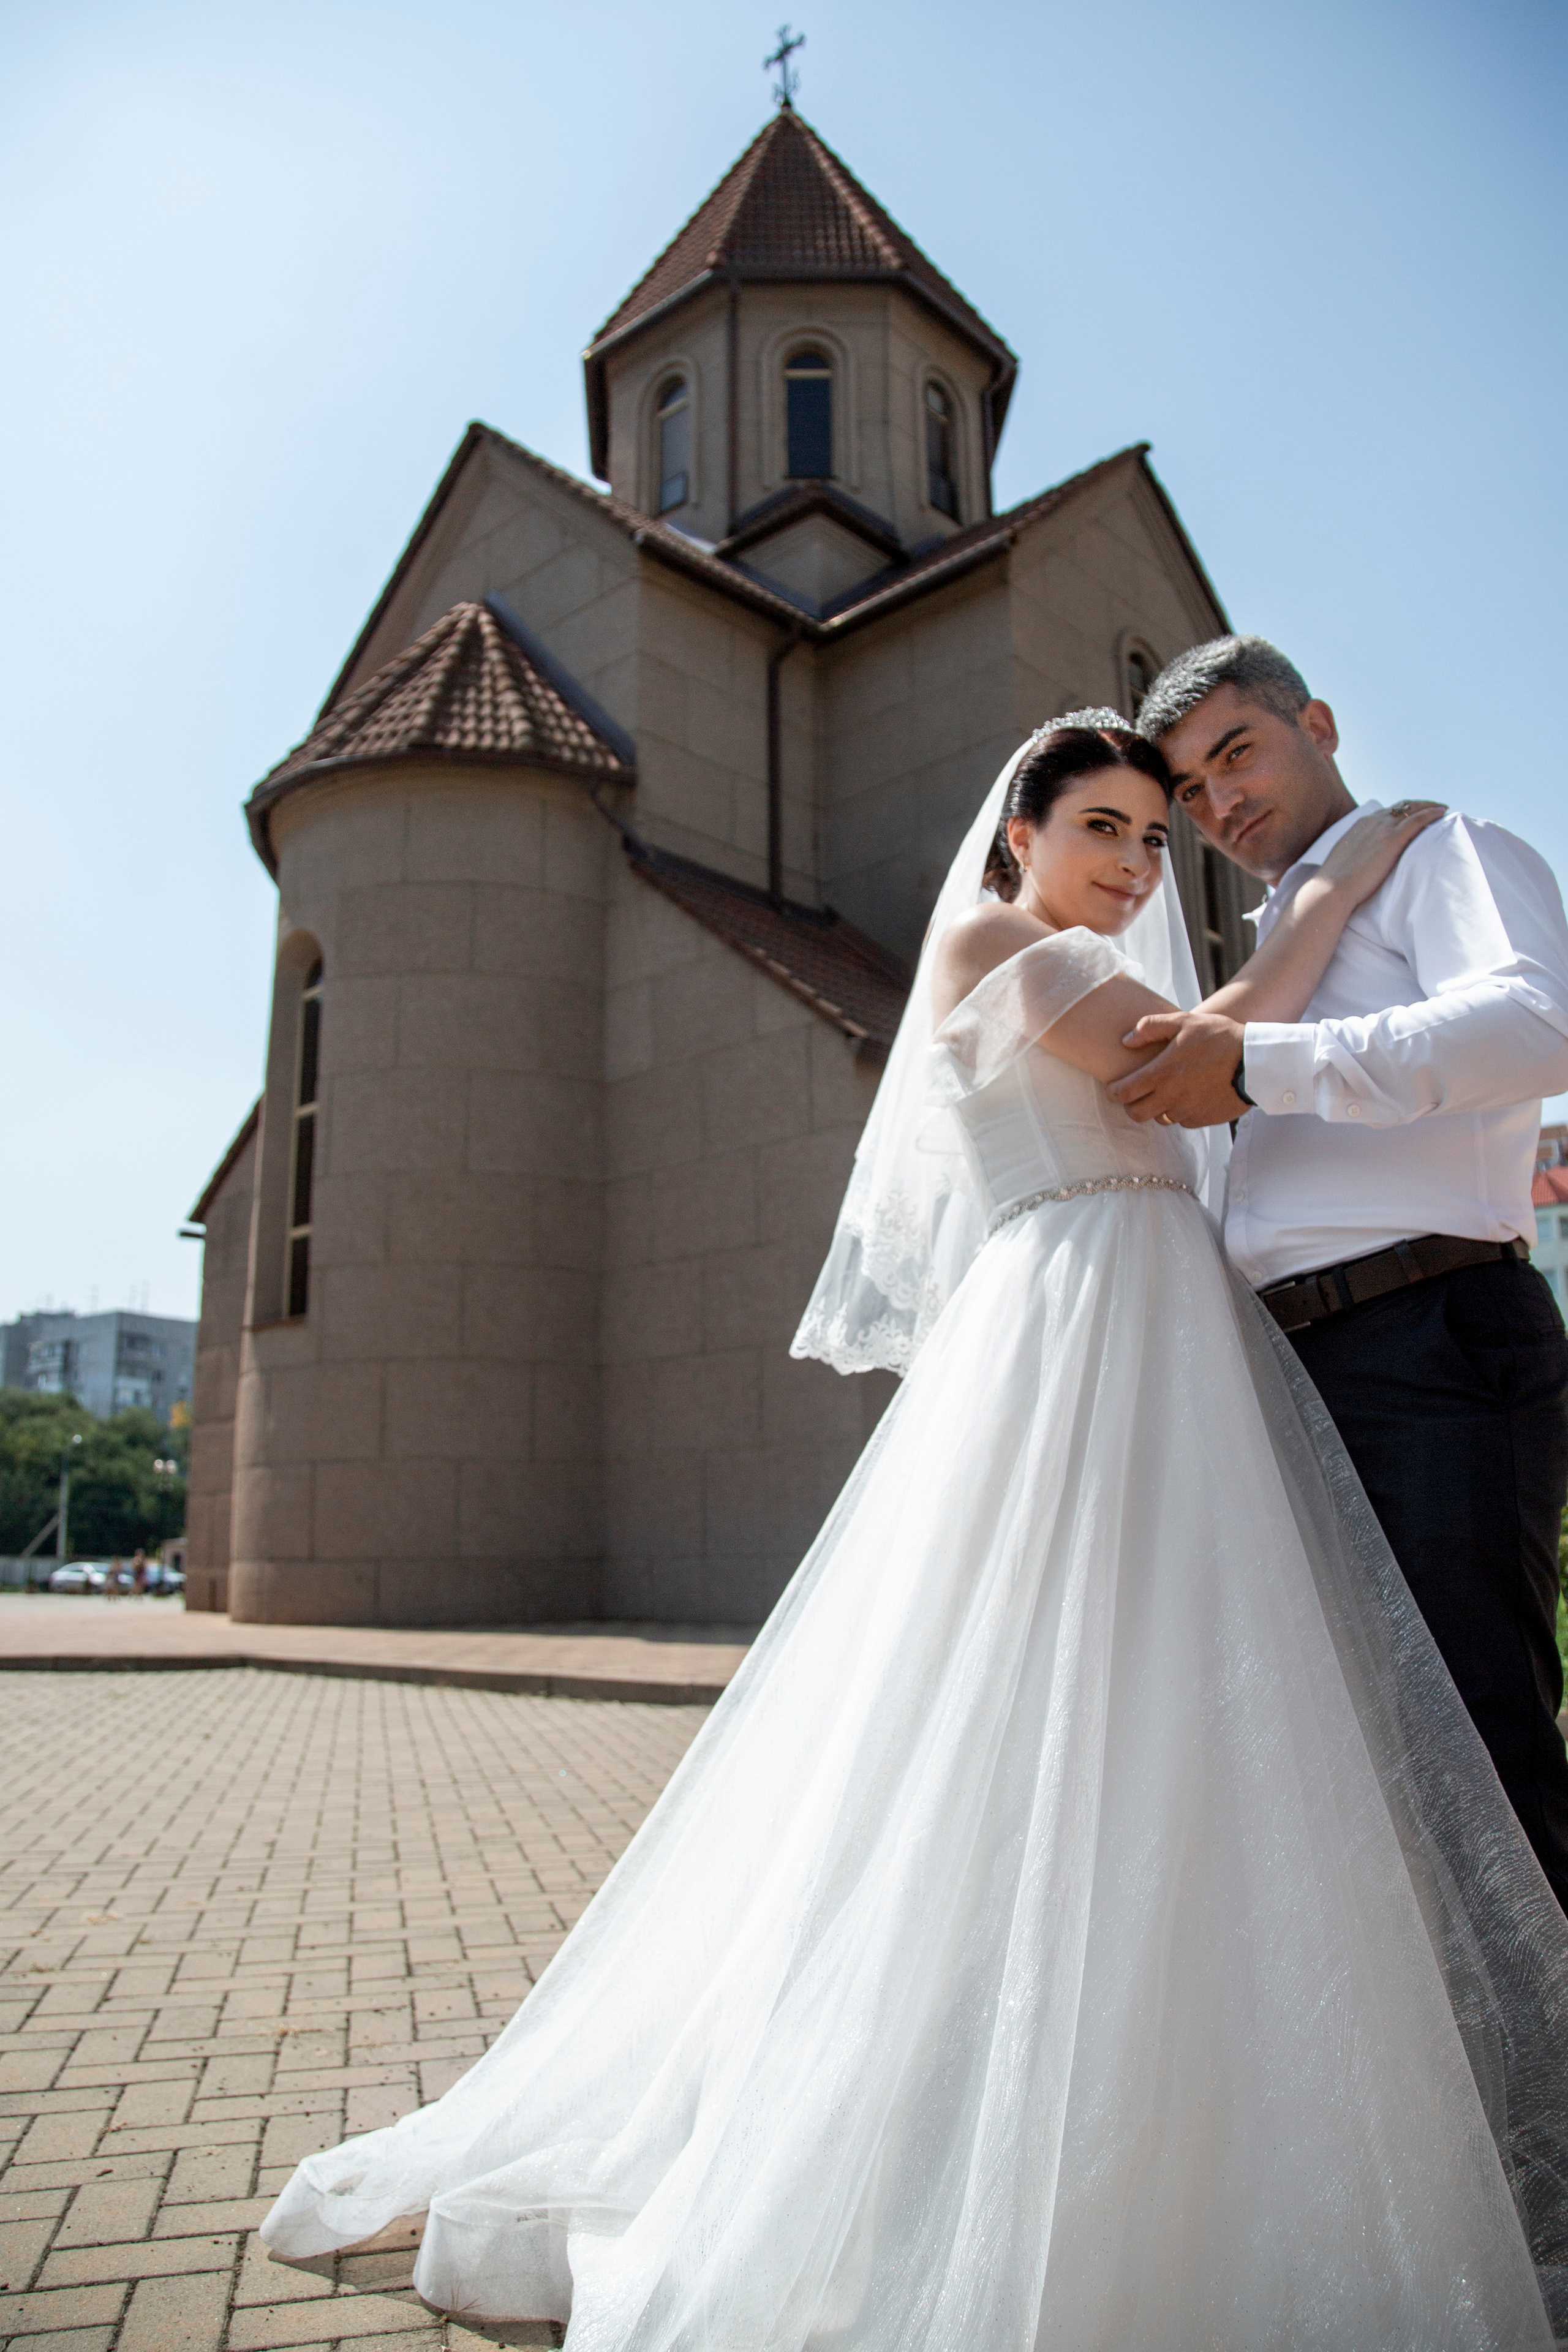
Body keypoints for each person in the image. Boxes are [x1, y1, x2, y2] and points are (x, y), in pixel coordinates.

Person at [262, 718, 1568, 2348]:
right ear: (1016, 833)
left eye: (1155, 843)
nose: (1134, 864)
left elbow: (1223, 1108)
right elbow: (1197, 1057)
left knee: (1188, 1727)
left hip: (1171, 1343)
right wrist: (1337, 885)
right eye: (1102, 825)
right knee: (1044, 1716)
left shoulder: (1061, 949)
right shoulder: (994, 939)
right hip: (1083, 1336)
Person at [1110, 636, 1568, 1912]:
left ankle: (1540, 2107)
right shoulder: (1259, 956)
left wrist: (1266, 1067)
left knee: (1477, 1751)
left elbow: (1543, 1019)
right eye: (1189, 794)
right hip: (1288, 1375)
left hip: (1428, 1338)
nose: (1218, 804)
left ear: (1313, 721)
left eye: (1234, 754)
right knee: (1346, 1768)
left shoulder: (1439, 854)